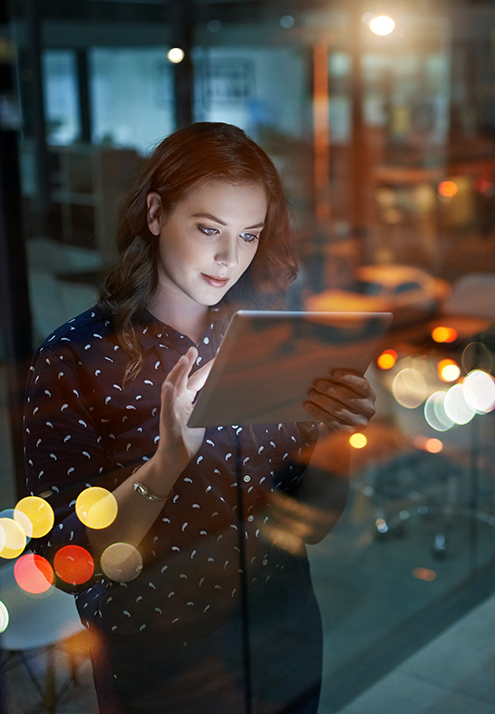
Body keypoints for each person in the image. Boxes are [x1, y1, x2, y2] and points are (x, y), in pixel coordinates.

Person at [24, 122, 376, 714]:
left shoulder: (264, 339)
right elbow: (67, 561)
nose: (228, 258)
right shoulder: (77, 358)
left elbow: (311, 521)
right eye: (209, 229)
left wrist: (339, 433)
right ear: (157, 214)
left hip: (282, 636)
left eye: (248, 236)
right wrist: (168, 461)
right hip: (162, 664)